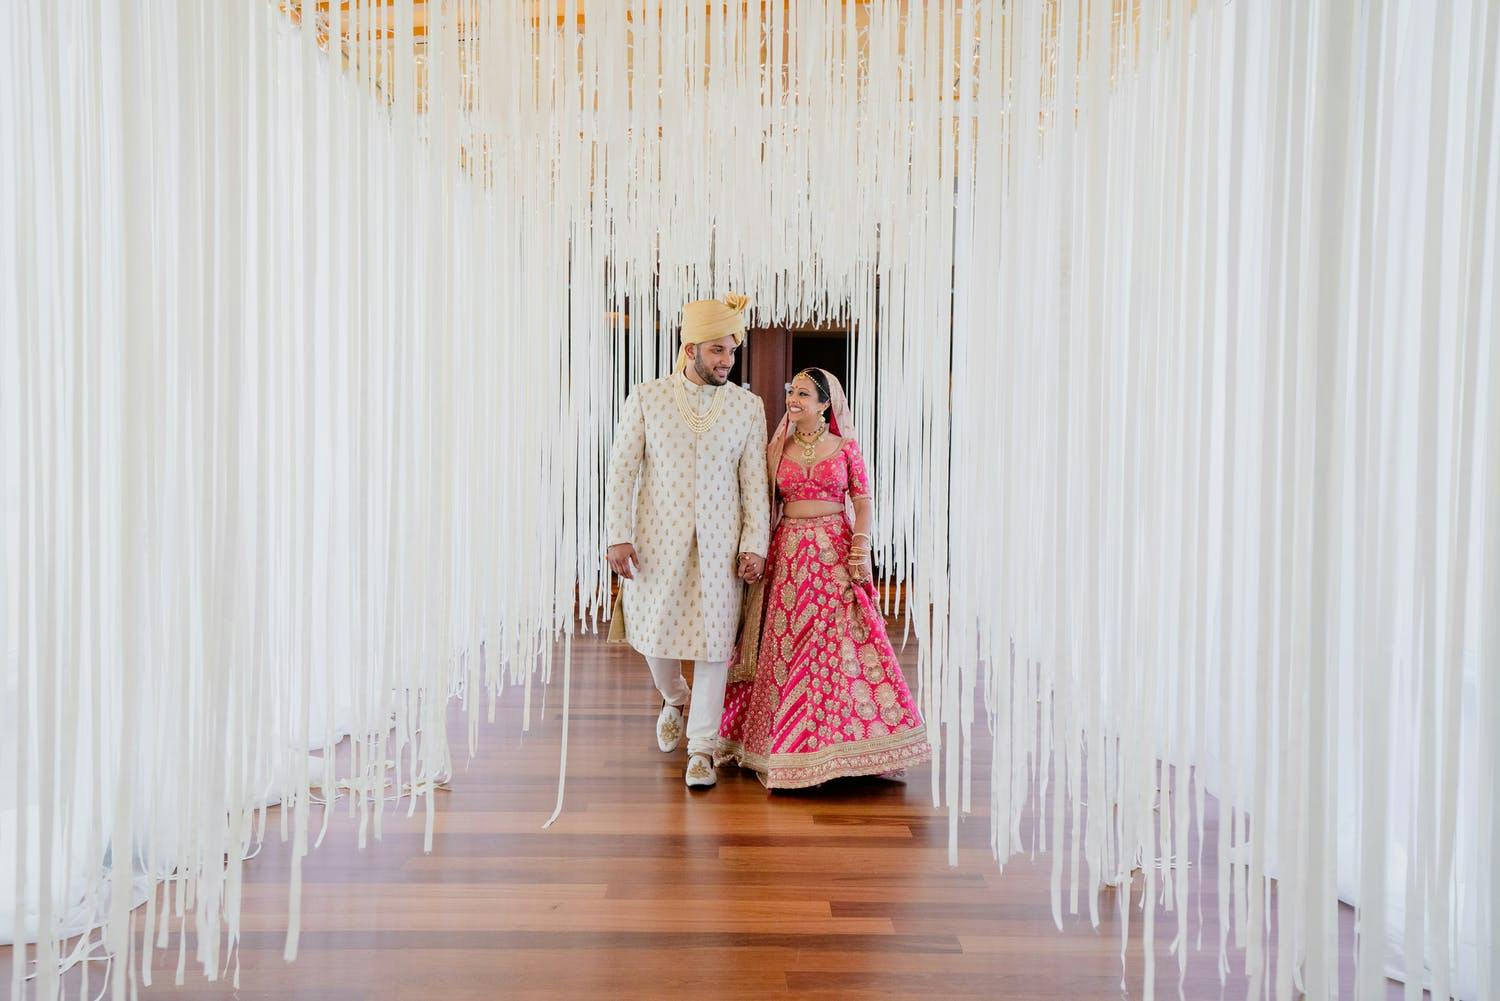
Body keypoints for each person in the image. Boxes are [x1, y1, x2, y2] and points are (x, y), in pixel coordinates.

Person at [716, 367, 931, 788]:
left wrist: (860, 549)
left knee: (834, 650)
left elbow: (863, 503)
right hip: (789, 555)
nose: (792, 400)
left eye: (802, 394)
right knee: (787, 648)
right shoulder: (775, 449)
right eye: (790, 391)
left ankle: (836, 748)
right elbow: (760, 504)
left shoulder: (845, 448)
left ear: (824, 404)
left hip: (834, 552)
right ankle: (783, 746)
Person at [604, 293, 770, 788]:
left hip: (722, 548)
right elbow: (622, 471)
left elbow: (753, 483)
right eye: (718, 350)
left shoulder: (747, 406)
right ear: (691, 346)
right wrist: (618, 535)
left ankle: (701, 748)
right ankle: (674, 696)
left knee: (715, 646)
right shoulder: (647, 397)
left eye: (732, 351)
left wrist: (755, 542)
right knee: (655, 636)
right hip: (657, 541)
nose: (727, 361)